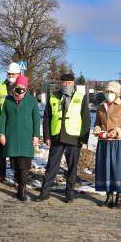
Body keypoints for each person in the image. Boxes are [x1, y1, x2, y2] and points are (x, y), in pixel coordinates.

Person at [37, 73, 91, 203]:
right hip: (57, 136)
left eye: (69, 83)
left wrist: (83, 138)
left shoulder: (80, 97)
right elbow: (47, 118)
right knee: (51, 166)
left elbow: (86, 119)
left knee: (72, 168)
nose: (66, 85)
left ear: (73, 84)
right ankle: (44, 193)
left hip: (74, 137)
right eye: (64, 83)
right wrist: (47, 136)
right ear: (60, 83)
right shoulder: (54, 96)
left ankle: (69, 194)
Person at [0, 75, 40, 201]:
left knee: (24, 164)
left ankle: (22, 189)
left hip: (26, 136)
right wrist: (1, 134)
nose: (20, 89)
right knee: (15, 164)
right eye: (18, 86)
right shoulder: (8, 100)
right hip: (11, 136)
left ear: (26, 88)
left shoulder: (31, 100)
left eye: (22, 87)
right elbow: (3, 117)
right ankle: (19, 185)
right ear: (15, 86)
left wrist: (36, 135)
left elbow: (36, 119)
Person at [93, 81, 121, 208]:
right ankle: (109, 196)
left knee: (118, 169)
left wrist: (118, 130)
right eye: (107, 91)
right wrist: (97, 129)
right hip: (104, 143)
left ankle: (119, 197)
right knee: (106, 169)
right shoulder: (101, 106)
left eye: (111, 92)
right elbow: (97, 123)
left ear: (116, 93)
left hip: (118, 143)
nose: (108, 94)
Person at [0, 62, 22, 183]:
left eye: (13, 74)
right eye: (9, 73)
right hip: (1, 122)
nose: (11, 76)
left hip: (15, 123)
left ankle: (16, 175)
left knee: (15, 151)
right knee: (1, 151)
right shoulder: (0, 86)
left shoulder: (22, 86)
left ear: (18, 74)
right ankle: (1, 174)